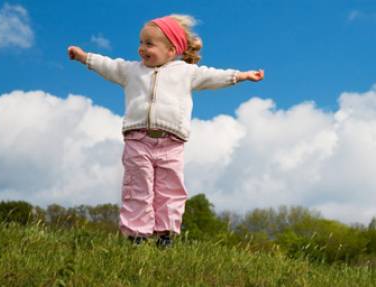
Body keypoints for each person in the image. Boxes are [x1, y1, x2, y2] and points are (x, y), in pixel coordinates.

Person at [67, 14, 264, 247]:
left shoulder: (186, 73)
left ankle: (165, 235)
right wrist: (83, 57)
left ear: (171, 50)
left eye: (149, 44)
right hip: (137, 140)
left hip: (172, 143)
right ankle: (136, 236)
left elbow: (213, 76)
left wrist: (241, 76)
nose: (142, 49)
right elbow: (108, 65)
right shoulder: (131, 71)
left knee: (170, 190)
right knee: (137, 187)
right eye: (141, 42)